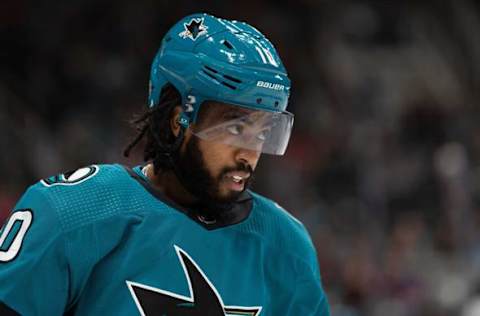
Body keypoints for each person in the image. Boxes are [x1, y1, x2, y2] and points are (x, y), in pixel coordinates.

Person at [0, 13, 329, 315]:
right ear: (177, 119)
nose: (248, 154)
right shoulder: (75, 212)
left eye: (262, 133)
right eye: (235, 128)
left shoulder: (286, 245)